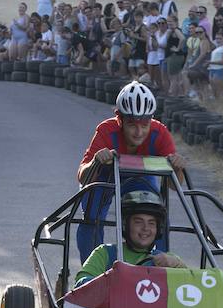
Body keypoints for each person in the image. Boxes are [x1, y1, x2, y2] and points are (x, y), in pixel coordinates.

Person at [74, 82, 183, 261]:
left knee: (154, 214)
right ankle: (91, 275)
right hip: (104, 179)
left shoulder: (159, 133)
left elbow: (174, 185)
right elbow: (82, 177)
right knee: (92, 217)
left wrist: (177, 168)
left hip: (140, 179)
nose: (139, 132)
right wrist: (95, 162)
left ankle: (156, 268)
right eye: (132, 124)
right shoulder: (106, 131)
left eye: (145, 124)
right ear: (120, 121)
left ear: (151, 120)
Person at [74, 191, 186, 286]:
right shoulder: (105, 253)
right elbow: (82, 282)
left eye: (151, 223)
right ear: (125, 225)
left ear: (158, 229)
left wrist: (178, 265)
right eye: (138, 222)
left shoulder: (168, 260)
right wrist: (110, 280)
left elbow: (192, 287)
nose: (145, 228)